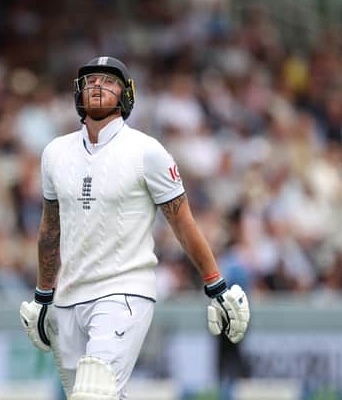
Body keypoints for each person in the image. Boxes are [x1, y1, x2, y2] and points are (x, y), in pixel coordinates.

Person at [20, 56, 250, 400]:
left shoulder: (147, 151)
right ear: (77, 93)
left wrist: (215, 286)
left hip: (124, 290)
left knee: (92, 395)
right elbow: (49, 231)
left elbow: (183, 223)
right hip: (68, 298)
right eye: (90, 80)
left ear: (126, 95)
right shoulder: (54, 153)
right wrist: (42, 296)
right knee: (100, 395)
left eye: (109, 81)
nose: (97, 85)